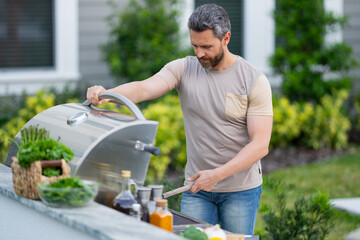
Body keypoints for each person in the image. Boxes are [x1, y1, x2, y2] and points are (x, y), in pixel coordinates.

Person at [87, 3, 273, 234]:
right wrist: (107, 95)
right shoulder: (183, 69)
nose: (199, 53)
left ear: (226, 39)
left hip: (240, 189)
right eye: (194, 45)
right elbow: (144, 89)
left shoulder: (253, 79)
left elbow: (260, 145)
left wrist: (216, 175)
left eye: (206, 46)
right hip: (197, 189)